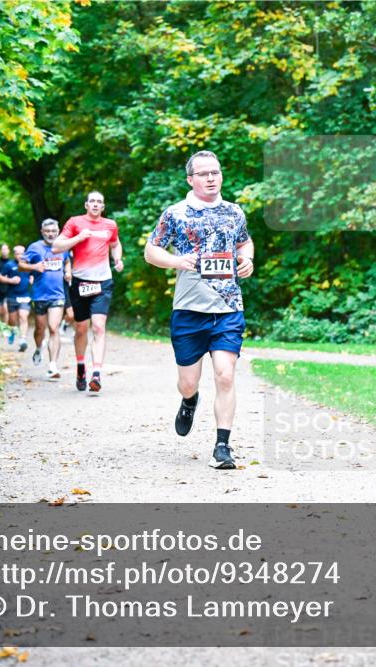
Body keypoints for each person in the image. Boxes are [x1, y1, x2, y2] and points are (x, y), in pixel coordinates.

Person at [144, 150, 254, 470]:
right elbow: (151, 250)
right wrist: (176, 261)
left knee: (225, 375)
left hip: (228, 307)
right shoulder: (176, 213)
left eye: (215, 172)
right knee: (188, 382)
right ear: (190, 179)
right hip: (189, 310)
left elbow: (244, 242)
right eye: (203, 173)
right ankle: (190, 400)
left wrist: (247, 259)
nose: (211, 178)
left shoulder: (234, 212)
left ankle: (222, 447)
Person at [51, 192, 123, 393]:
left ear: (103, 206)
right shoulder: (75, 222)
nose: (96, 204)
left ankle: (97, 374)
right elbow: (56, 247)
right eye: (92, 201)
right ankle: (81, 366)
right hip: (80, 282)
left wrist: (117, 258)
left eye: (99, 202)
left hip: (103, 282)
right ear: (86, 205)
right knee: (81, 328)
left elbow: (115, 244)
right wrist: (78, 238)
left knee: (99, 327)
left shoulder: (110, 225)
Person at [20, 219, 67, 380]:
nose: (50, 234)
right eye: (47, 231)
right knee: (40, 329)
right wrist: (34, 267)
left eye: (53, 231)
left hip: (57, 295)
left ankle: (53, 366)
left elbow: (67, 261)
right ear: (42, 232)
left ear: (58, 231)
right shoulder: (34, 247)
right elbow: (21, 265)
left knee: (54, 328)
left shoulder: (63, 246)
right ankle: (39, 347)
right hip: (39, 295)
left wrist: (68, 272)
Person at [1, 245, 32, 352]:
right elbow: (0, 276)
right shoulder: (9, 265)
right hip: (12, 296)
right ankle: (12, 331)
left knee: (23, 317)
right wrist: (10, 280)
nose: (20, 256)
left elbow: (34, 274)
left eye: (22, 253)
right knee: (12, 320)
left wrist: (32, 278)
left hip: (25, 295)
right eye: (18, 253)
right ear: (14, 254)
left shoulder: (29, 265)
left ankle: (23, 340)